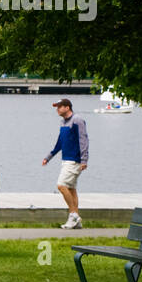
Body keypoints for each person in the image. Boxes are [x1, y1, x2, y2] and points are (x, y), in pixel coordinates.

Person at [42, 98, 89, 229]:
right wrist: (48, 157)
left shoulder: (77, 120)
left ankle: (73, 214)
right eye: (56, 107)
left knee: (61, 186)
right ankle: (76, 221)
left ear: (67, 107)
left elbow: (83, 140)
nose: (57, 109)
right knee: (71, 189)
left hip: (74, 160)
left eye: (59, 107)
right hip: (66, 159)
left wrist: (84, 160)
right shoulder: (63, 122)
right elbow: (60, 142)